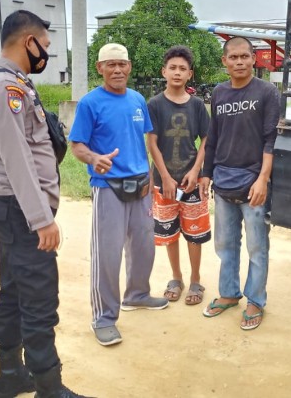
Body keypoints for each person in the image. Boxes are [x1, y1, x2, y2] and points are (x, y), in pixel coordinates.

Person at [0, 10, 89, 398]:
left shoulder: (16, 84)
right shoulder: (4, 88)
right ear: (29, 42)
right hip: (22, 213)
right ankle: (49, 387)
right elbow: (18, 159)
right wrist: (42, 219)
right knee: (39, 299)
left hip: (12, 209)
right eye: (45, 46)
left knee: (13, 291)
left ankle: (10, 375)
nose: (46, 53)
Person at [69, 43, 168, 347]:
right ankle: (103, 318)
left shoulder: (138, 100)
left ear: (129, 67)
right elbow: (77, 145)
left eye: (121, 64)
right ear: (100, 68)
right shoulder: (90, 103)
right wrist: (94, 158)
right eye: (110, 65)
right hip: (108, 186)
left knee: (143, 247)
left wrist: (152, 178)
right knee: (107, 255)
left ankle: (136, 294)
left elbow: (145, 142)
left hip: (140, 185)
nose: (117, 70)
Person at [199, 36, 280, 331]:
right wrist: (206, 174)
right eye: (233, 57)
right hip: (223, 180)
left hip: (253, 182)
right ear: (224, 62)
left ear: (254, 58)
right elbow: (213, 139)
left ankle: (255, 300)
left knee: (258, 247)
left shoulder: (267, 92)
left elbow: (271, 140)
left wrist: (262, 179)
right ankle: (229, 294)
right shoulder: (219, 94)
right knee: (225, 243)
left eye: (245, 56)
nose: (239, 62)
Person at [147, 45, 211, 305]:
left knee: (194, 233)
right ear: (164, 71)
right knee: (169, 232)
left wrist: (196, 170)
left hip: (191, 181)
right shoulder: (154, 104)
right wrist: (164, 177)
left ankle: (196, 280)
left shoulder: (197, 105)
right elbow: (152, 143)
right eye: (172, 67)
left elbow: (206, 139)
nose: (177, 72)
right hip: (165, 182)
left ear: (190, 74)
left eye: (182, 68)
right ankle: (176, 277)